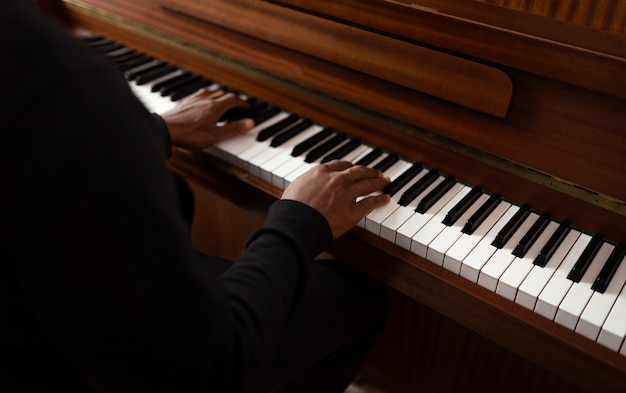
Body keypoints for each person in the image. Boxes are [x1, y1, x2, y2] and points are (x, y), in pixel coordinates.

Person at [0, 1, 392, 392]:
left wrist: (151, 132)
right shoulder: (46, 78)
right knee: (360, 297)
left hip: (71, 311)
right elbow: (209, 366)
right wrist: (299, 221)